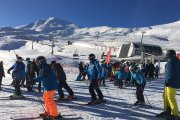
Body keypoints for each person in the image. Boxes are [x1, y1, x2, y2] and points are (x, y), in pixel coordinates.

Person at [156, 50, 180, 120]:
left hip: (171, 83)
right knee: (165, 96)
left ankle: (175, 114)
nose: (166, 56)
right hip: (172, 82)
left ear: (170, 55)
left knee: (170, 98)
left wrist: (168, 81)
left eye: (167, 55)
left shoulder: (171, 62)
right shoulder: (175, 61)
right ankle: (167, 111)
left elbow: (171, 73)